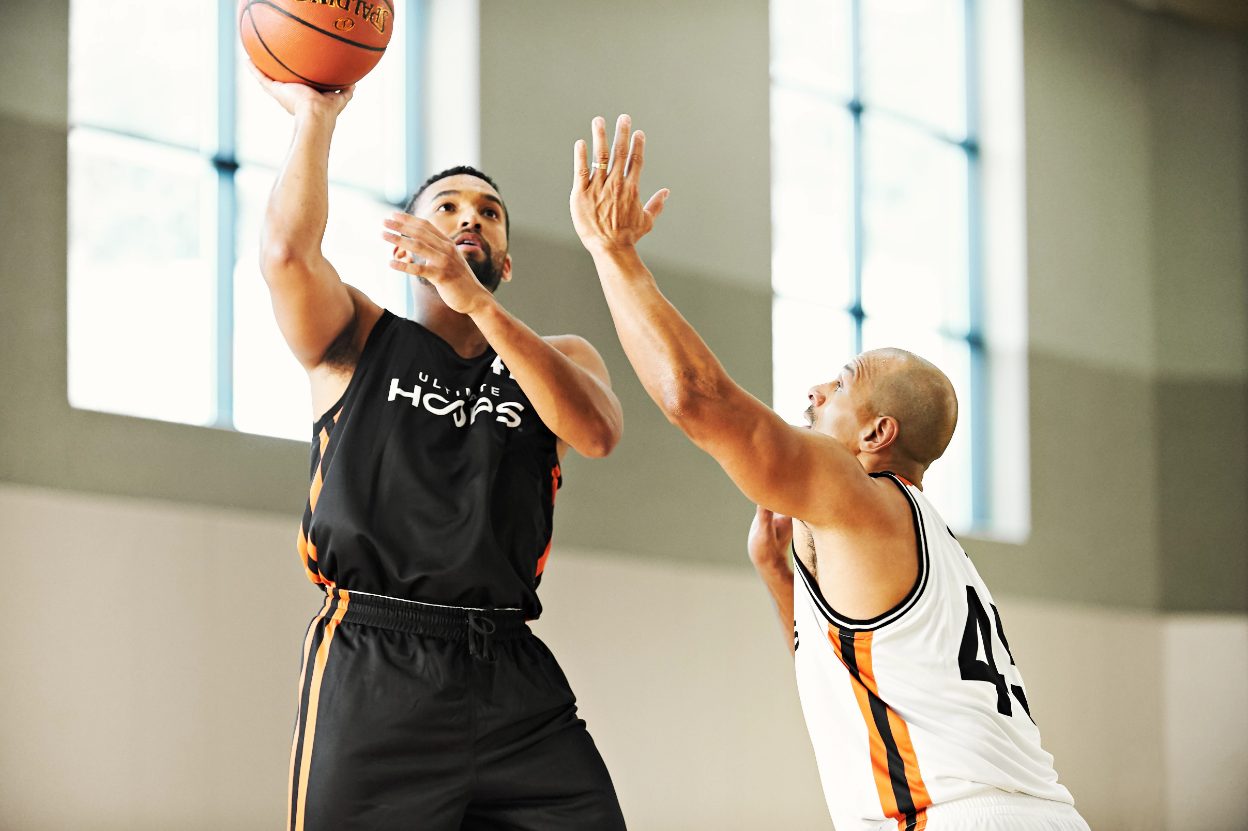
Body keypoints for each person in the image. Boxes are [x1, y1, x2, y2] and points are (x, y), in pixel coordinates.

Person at [569, 114, 1088, 831]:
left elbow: (698, 399)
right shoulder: (916, 536)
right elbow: (850, 676)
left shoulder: (864, 496)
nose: (815, 391)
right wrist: (778, 575)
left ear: (877, 433)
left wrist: (612, 250)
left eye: (842, 382)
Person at [253, 71, 628, 830]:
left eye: (489, 214)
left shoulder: (558, 355)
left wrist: (476, 302)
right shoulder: (357, 338)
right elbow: (288, 254)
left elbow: (596, 432)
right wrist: (317, 116)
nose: (470, 219)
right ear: (406, 244)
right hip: (377, 658)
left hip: (512, 673)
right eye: (448, 208)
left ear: (507, 262)